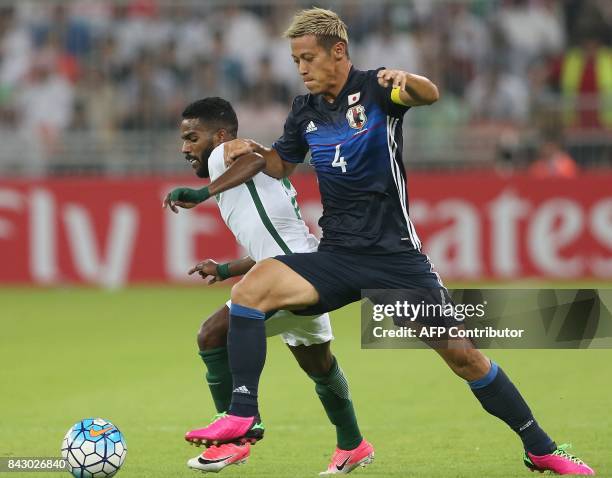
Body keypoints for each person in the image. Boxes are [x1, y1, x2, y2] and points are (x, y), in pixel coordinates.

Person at [169, 8, 594, 475]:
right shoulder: (304, 112)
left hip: (395, 260)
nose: (302, 69)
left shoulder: (377, 89)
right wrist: (241, 149)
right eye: (295, 61)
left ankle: (540, 447)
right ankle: (242, 413)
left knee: (463, 357)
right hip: (338, 255)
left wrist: (408, 78)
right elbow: (277, 165)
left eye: (308, 58)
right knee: (248, 293)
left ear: (338, 52)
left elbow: (428, 95)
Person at [163, 97, 374, 474]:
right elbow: (270, 243)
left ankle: (236, 434)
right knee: (320, 367)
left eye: (192, 138)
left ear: (221, 134)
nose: (185, 148)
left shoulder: (223, 153)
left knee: (212, 336)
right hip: (302, 268)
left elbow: (256, 158)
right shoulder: (230, 173)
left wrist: (200, 194)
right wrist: (227, 268)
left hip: (290, 274)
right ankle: (353, 444)